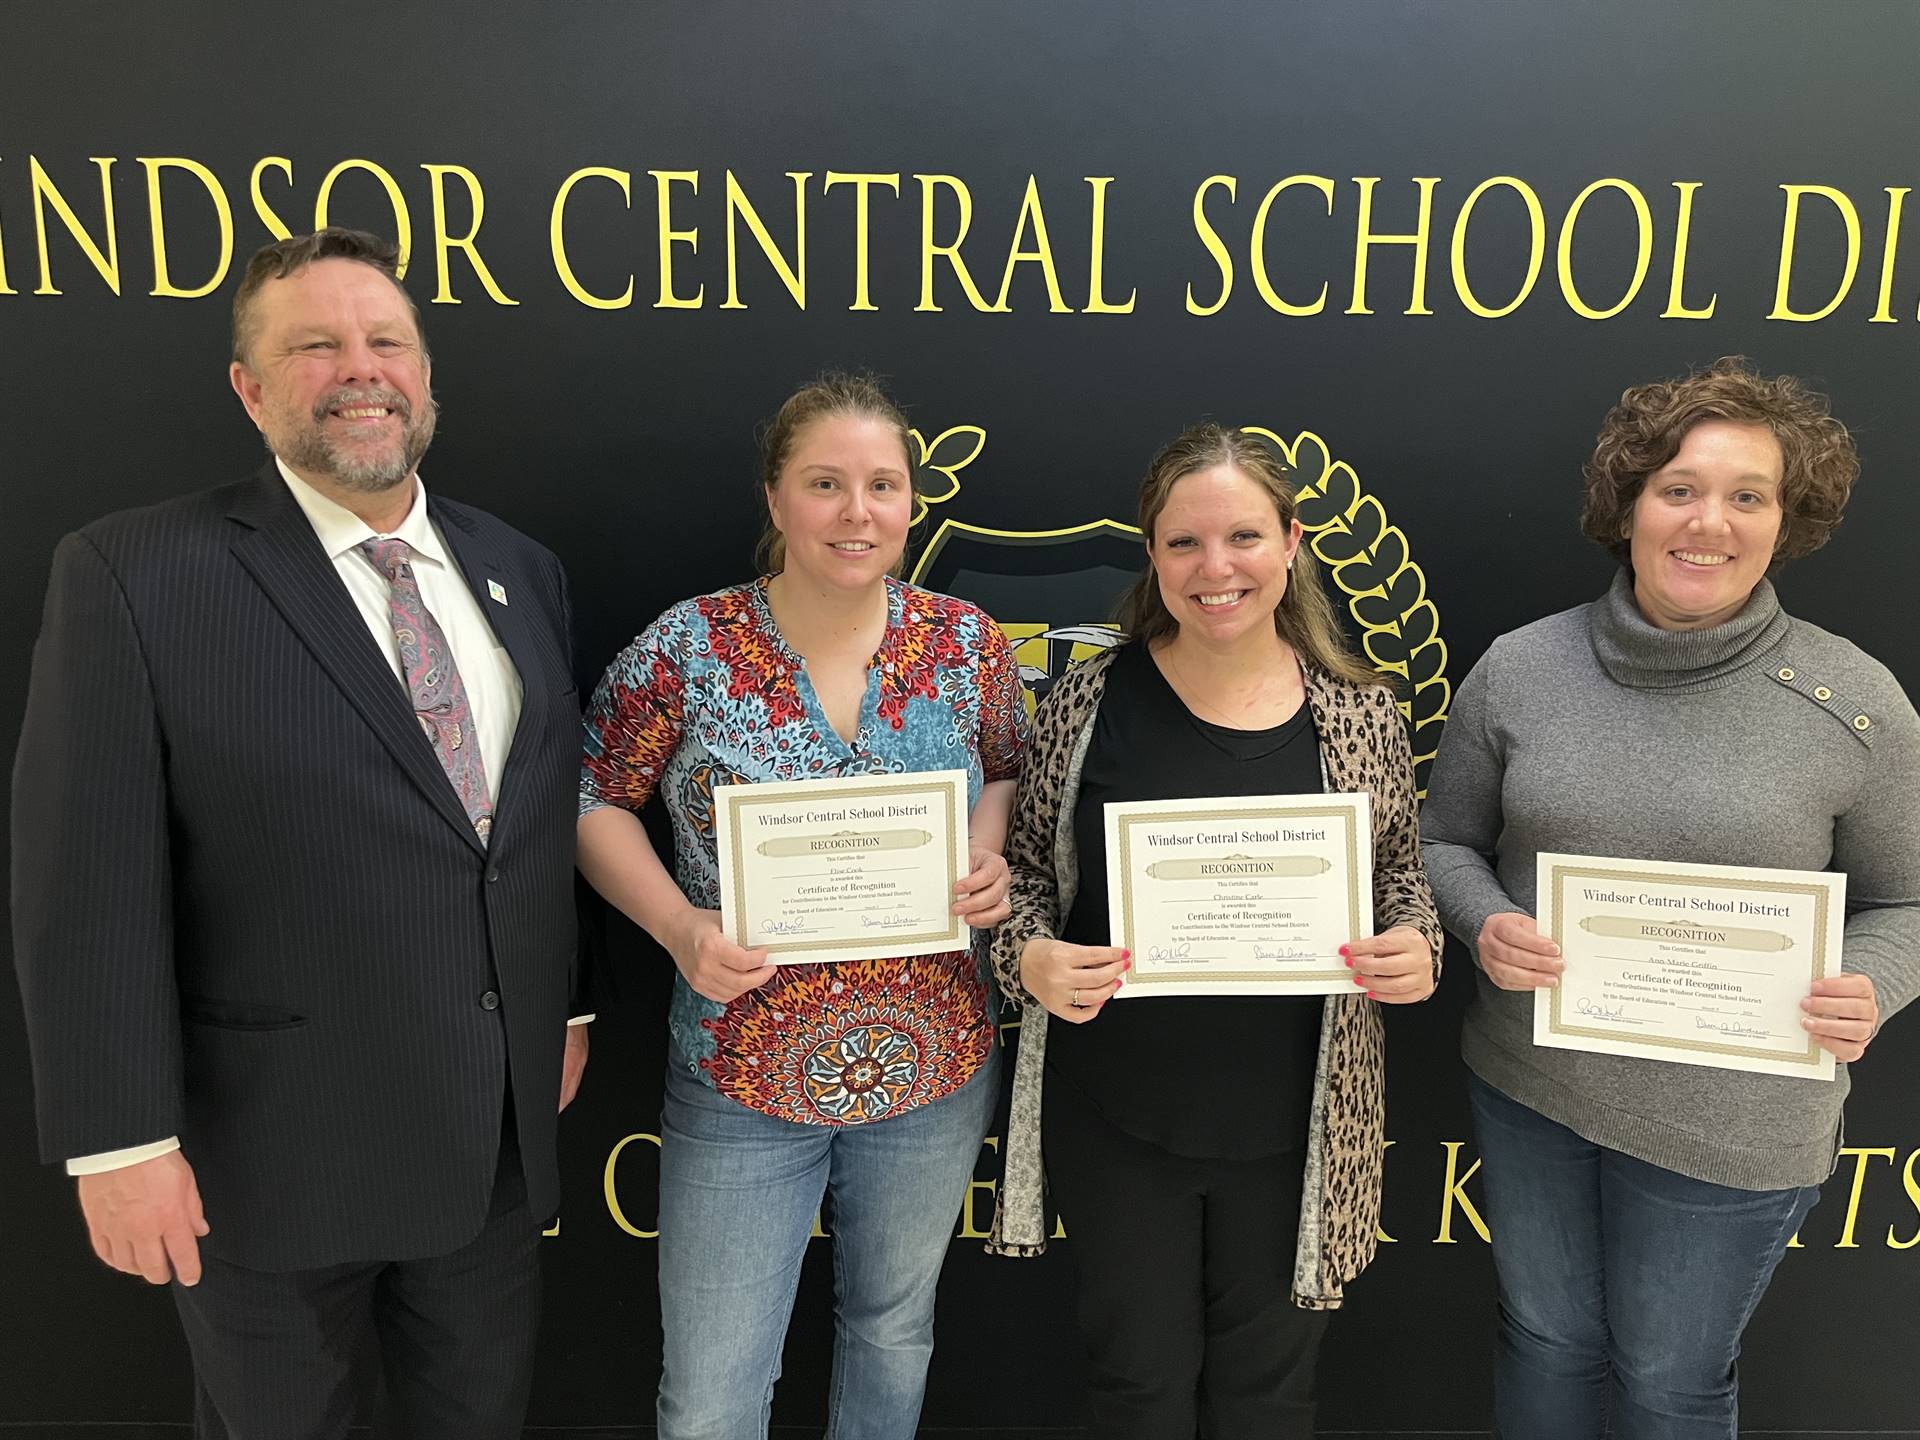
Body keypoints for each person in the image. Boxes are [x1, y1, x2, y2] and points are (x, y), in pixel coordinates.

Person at [10, 228, 592, 1440]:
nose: (360, 369)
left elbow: (528, 821)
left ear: (428, 376)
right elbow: (85, 879)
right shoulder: (133, 572)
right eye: (315, 345)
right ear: (251, 386)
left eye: (387, 341)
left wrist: (566, 1004)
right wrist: (116, 1136)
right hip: (269, 1161)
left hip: (485, 1148)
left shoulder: (517, 569)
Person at [1420, 357, 1920, 1440]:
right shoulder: (1520, 670)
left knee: (1670, 1380)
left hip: (1734, 1124)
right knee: (1544, 1340)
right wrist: (1484, 922)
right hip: (1533, 1085)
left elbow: (1908, 901)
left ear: (1788, 522)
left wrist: (1870, 986)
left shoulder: (1856, 701)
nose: (1710, 522)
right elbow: (1445, 839)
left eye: (1748, 495)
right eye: (1679, 488)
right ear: (1629, 505)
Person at [576, 372, 1027, 1440]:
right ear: (777, 500)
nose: (857, 511)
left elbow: (1008, 766)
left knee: (890, 1334)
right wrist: (680, 928)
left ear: (914, 503)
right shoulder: (690, 650)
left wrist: (984, 853)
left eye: (883, 485)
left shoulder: (966, 643)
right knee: (713, 1389)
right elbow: (592, 794)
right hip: (742, 1071)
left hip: (933, 1068)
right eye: (826, 483)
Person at [984, 422, 1443, 1440]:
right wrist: (1030, 958)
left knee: (1268, 1400)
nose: (1215, 567)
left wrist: (1417, 945)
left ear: (1292, 541)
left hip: (1298, 1125)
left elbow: (1402, 873)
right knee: (1134, 1390)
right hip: (1119, 1121)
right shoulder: (1088, 701)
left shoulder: (1361, 711)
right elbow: (1017, 880)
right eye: (1183, 542)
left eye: (1242, 536)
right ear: (1151, 556)